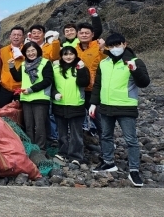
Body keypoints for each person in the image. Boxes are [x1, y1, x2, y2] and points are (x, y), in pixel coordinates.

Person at [90, 33, 150, 187]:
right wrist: (94, 103)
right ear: (108, 47)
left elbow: (144, 83)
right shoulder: (104, 63)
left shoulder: (135, 61)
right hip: (106, 106)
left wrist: (135, 70)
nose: (115, 48)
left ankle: (134, 170)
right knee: (106, 135)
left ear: (125, 44)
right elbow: (98, 85)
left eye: (118, 45)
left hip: (126, 106)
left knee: (131, 139)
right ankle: (109, 162)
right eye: (112, 46)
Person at [9, 42, 53, 150]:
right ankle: (31, 148)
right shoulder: (24, 64)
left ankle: (41, 149)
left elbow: (48, 80)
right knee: (28, 126)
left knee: (40, 126)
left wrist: (31, 89)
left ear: (38, 50)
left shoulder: (45, 63)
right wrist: (11, 67)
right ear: (25, 53)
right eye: (28, 51)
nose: (31, 53)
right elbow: (18, 78)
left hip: (40, 98)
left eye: (33, 50)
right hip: (26, 99)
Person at [51, 46, 90, 165]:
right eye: (65, 54)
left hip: (76, 104)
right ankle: (63, 152)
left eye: (71, 54)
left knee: (76, 133)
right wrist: (54, 94)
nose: (68, 57)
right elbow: (51, 85)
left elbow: (84, 83)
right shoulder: (56, 68)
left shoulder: (81, 67)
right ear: (61, 56)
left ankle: (76, 155)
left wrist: (81, 69)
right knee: (61, 132)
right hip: (59, 104)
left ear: (75, 55)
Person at [0, 26, 26, 107]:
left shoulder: (27, 50)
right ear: (10, 36)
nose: (16, 37)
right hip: (5, 87)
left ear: (23, 37)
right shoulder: (2, 51)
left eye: (19, 35)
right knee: (3, 112)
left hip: (21, 88)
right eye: (14, 35)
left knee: (21, 114)